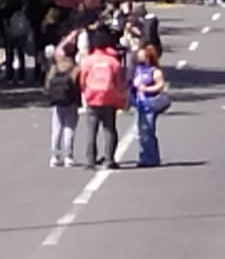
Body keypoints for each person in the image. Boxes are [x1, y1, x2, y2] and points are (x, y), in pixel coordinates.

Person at [79, 32, 126, 169]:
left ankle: (90, 160)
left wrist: (85, 92)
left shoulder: (88, 61)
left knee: (91, 130)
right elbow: (119, 82)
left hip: (92, 97)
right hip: (109, 98)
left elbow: (82, 80)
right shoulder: (113, 61)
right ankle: (109, 158)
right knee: (109, 129)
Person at [130, 43, 168, 168]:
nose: (138, 58)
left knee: (147, 131)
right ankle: (145, 156)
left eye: (141, 56)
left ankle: (151, 158)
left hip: (150, 104)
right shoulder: (137, 69)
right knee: (141, 132)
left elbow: (160, 85)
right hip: (140, 104)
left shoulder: (154, 71)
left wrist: (146, 89)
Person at [43, 48, 80, 167]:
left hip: (57, 103)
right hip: (71, 102)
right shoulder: (75, 69)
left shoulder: (55, 67)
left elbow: (48, 84)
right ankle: (68, 156)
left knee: (56, 129)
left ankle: (55, 156)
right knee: (69, 128)